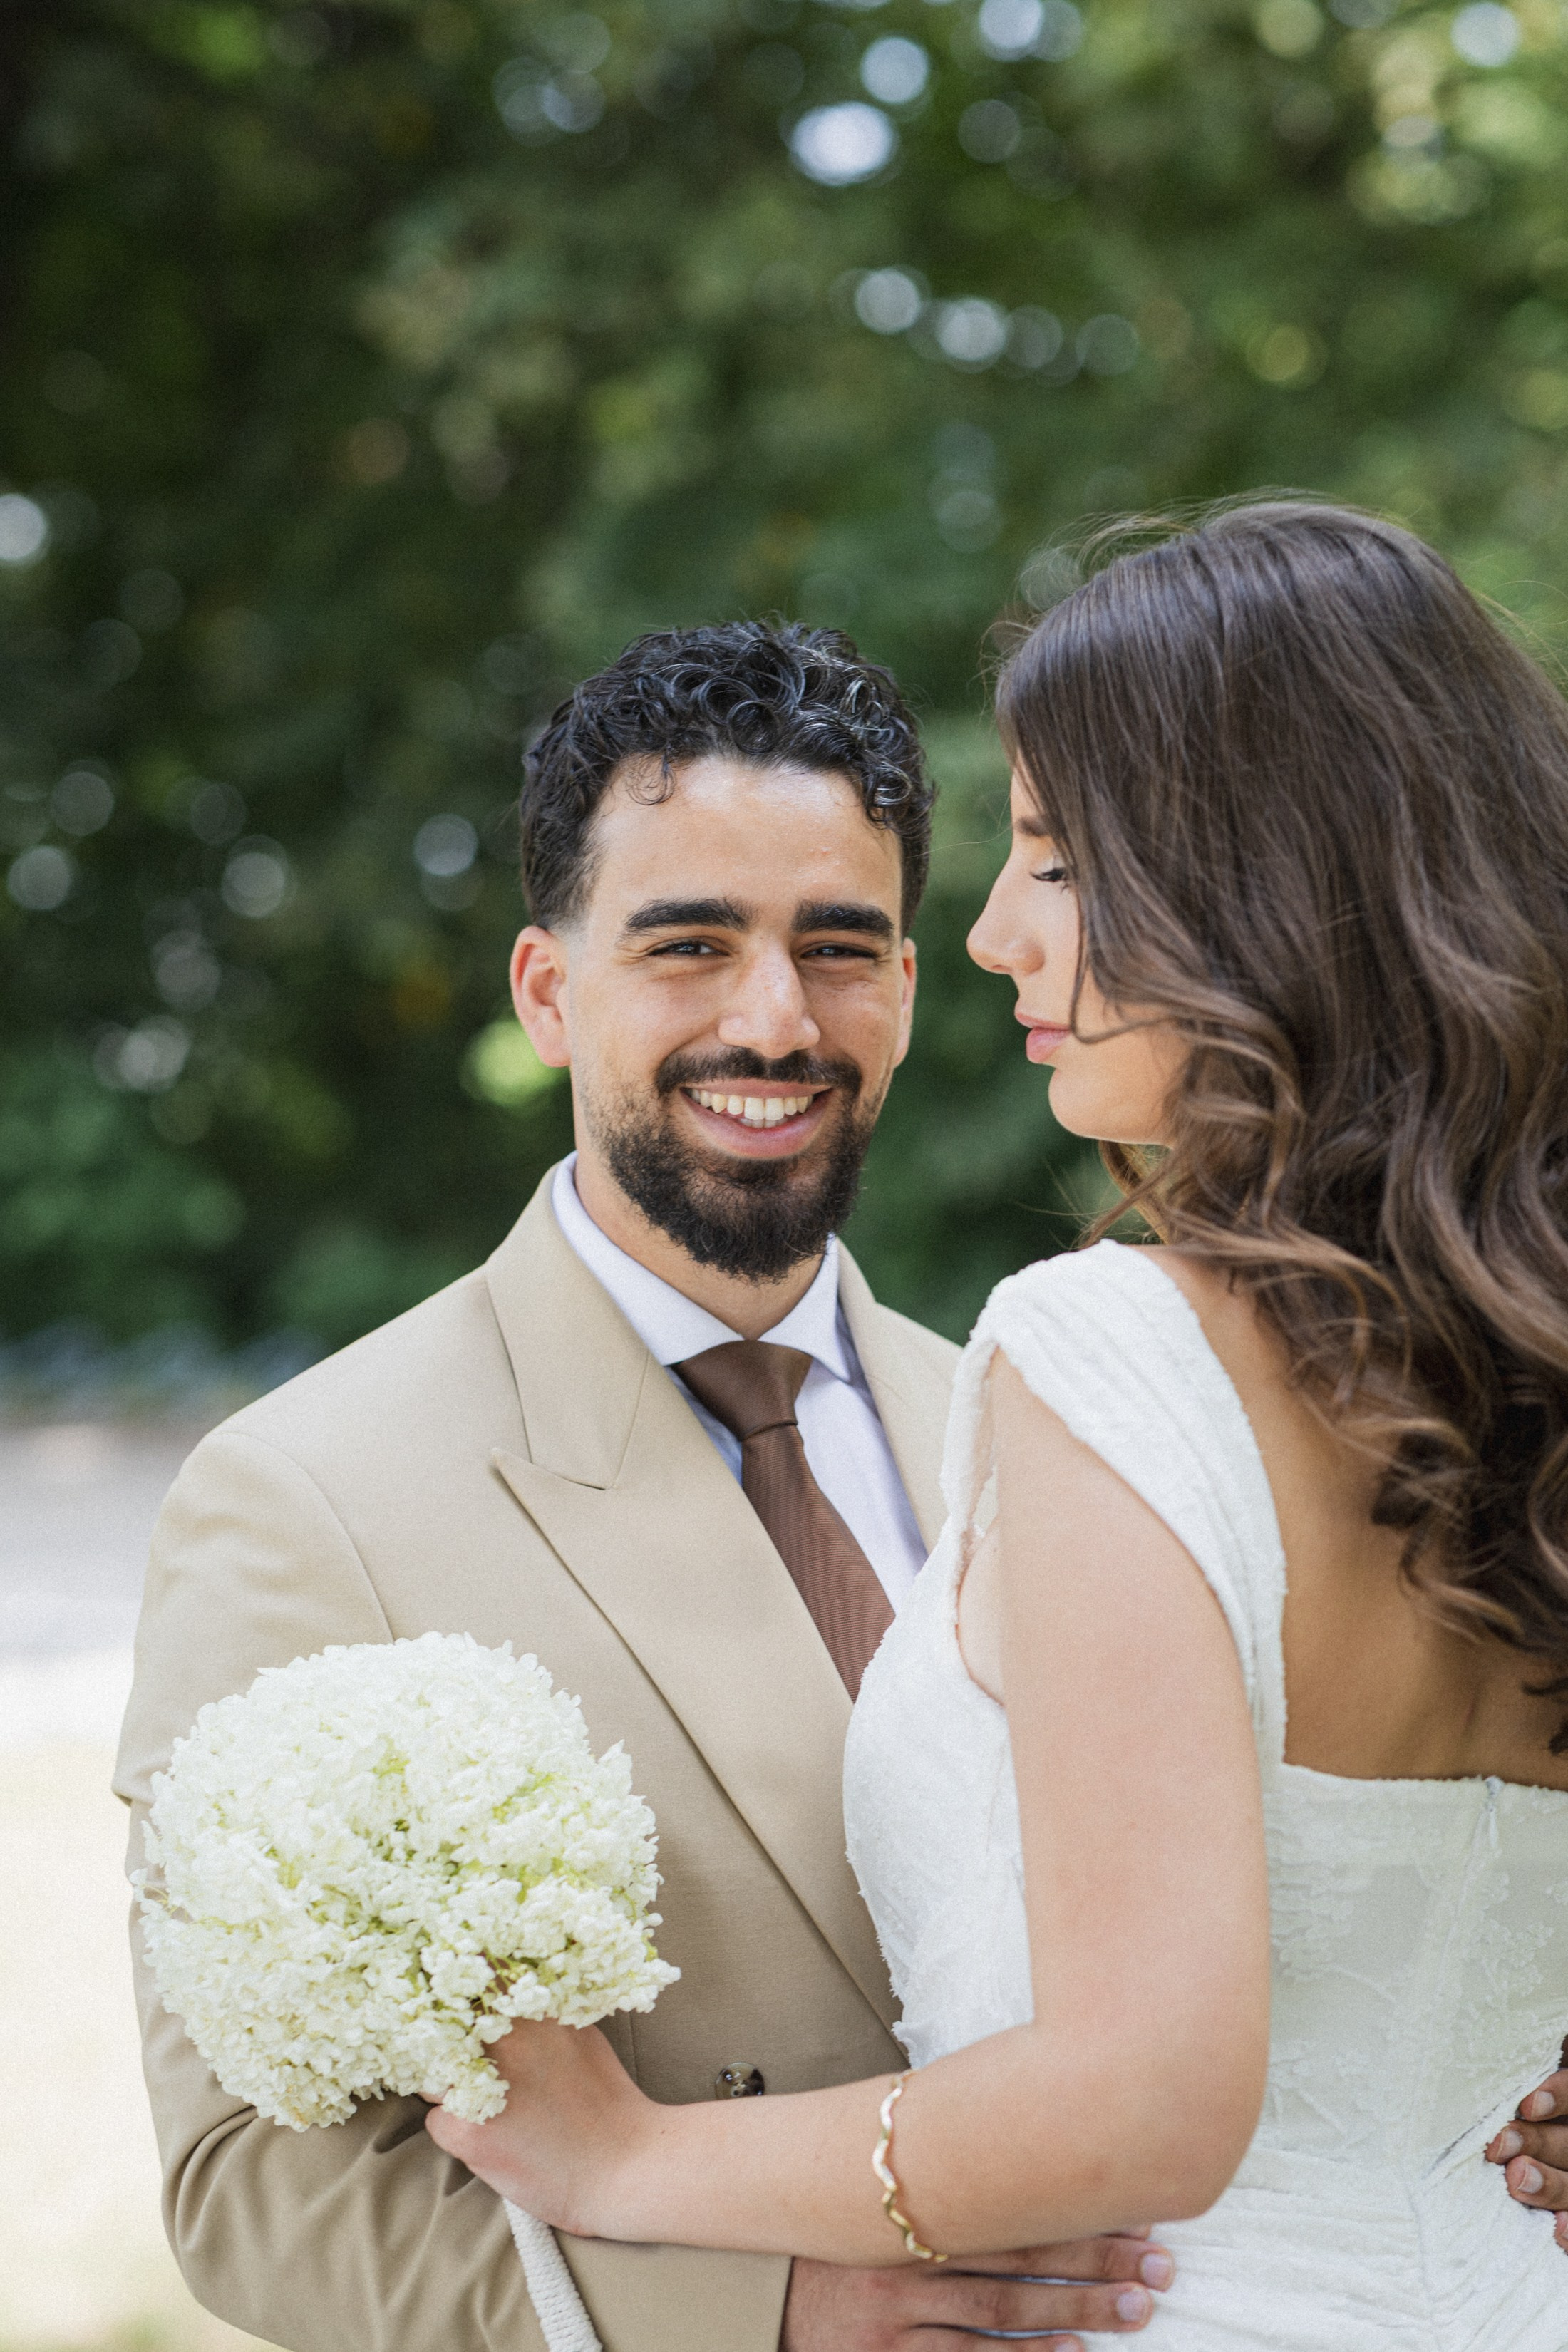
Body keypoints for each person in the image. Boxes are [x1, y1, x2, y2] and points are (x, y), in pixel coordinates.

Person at [425, 505, 1568, 2346]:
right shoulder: (1527, 1359)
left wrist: (626, 2160)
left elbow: (1142, 2102)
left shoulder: (1114, 1347)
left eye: (1055, 859)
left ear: (1263, 884)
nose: (987, 932)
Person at [114, 621, 1176, 2352]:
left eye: (836, 949)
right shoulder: (300, 1500)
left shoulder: (1046, 1413)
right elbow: (250, 2187)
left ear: (909, 990)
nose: (774, 1020)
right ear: (547, 991)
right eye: (689, 946)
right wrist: (766, 2310)